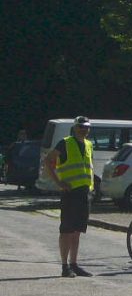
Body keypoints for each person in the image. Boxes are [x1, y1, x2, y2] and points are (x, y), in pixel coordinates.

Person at [43, 117, 94, 277]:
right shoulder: (65, 143)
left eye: (85, 127)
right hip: (70, 193)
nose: (83, 130)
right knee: (66, 229)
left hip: (84, 193)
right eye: (80, 127)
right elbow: (48, 160)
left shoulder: (89, 144)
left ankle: (74, 264)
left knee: (77, 231)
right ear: (74, 128)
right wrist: (58, 183)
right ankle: (65, 266)